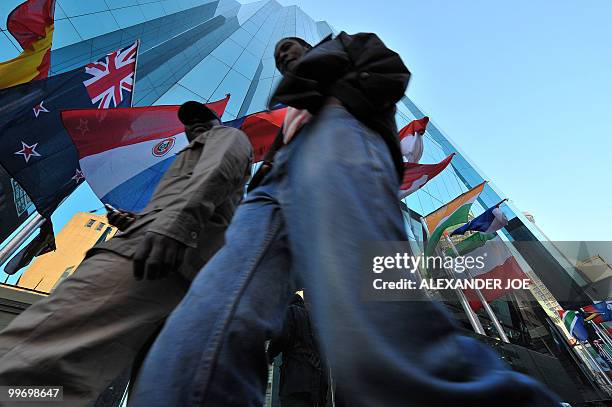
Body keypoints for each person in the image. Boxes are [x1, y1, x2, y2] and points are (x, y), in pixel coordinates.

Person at [131, 33, 560, 406]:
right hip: (273, 186)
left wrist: (336, 96)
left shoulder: (347, 51)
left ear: (311, 48)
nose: (284, 58)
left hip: (341, 140)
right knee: (208, 316)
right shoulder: (289, 113)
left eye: (290, 49)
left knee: (371, 327)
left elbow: (390, 72)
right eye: (279, 57)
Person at [0, 102, 253, 405]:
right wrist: (135, 220)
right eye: (190, 122)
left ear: (216, 122)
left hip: (144, 258)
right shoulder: (190, 157)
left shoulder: (225, 138)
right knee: (74, 372)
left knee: (41, 347)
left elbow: (217, 175)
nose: (193, 126)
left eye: (202, 120)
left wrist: (174, 225)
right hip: (162, 259)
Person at [268, 293, 328, 407]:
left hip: (295, 381)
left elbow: (280, 336)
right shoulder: (315, 320)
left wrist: (268, 356)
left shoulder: (290, 311)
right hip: (316, 386)